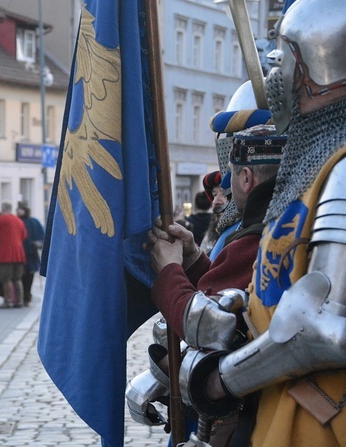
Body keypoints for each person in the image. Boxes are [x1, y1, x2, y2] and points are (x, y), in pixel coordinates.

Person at [179, 2, 346, 445]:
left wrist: (221, 381)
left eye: (285, 58)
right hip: (283, 415)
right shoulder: (317, 168)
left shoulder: (344, 171)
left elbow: (323, 329)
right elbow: (277, 290)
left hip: (319, 424)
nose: (276, 79)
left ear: (313, 68)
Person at [133, 125, 286, 445]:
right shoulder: (280, 222)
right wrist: (191, 259)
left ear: (246, 177)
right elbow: (234, 293)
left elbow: (209, 325)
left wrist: (169, 269)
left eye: (231, 178)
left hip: (260, 405)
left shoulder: (265, 235)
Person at [16, 201, 44, 306]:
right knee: (19, 276)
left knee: (29, 276)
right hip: (19, 255)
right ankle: (20, 296)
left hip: (31, 255)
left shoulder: (34, 222)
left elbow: (41, 237)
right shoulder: (17, 221)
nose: (20, 211)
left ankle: (27, 296)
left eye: (21, 209)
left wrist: (37, 244)